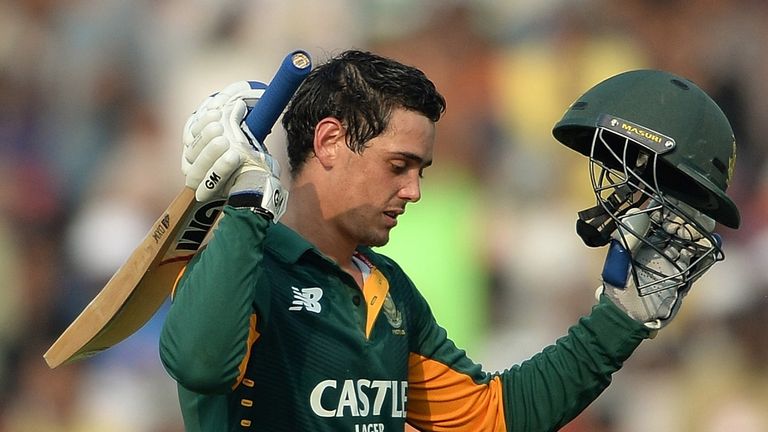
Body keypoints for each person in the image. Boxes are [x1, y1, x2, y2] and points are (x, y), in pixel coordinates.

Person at [159, 51, 739, 431]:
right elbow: (202, 365)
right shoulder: (240, 264)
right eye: (398, 165)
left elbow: (494, 416)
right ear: (330, 141)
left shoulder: (390, 292)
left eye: (421, 170)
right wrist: (244, 202)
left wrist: (619, 319)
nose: (413, 190)